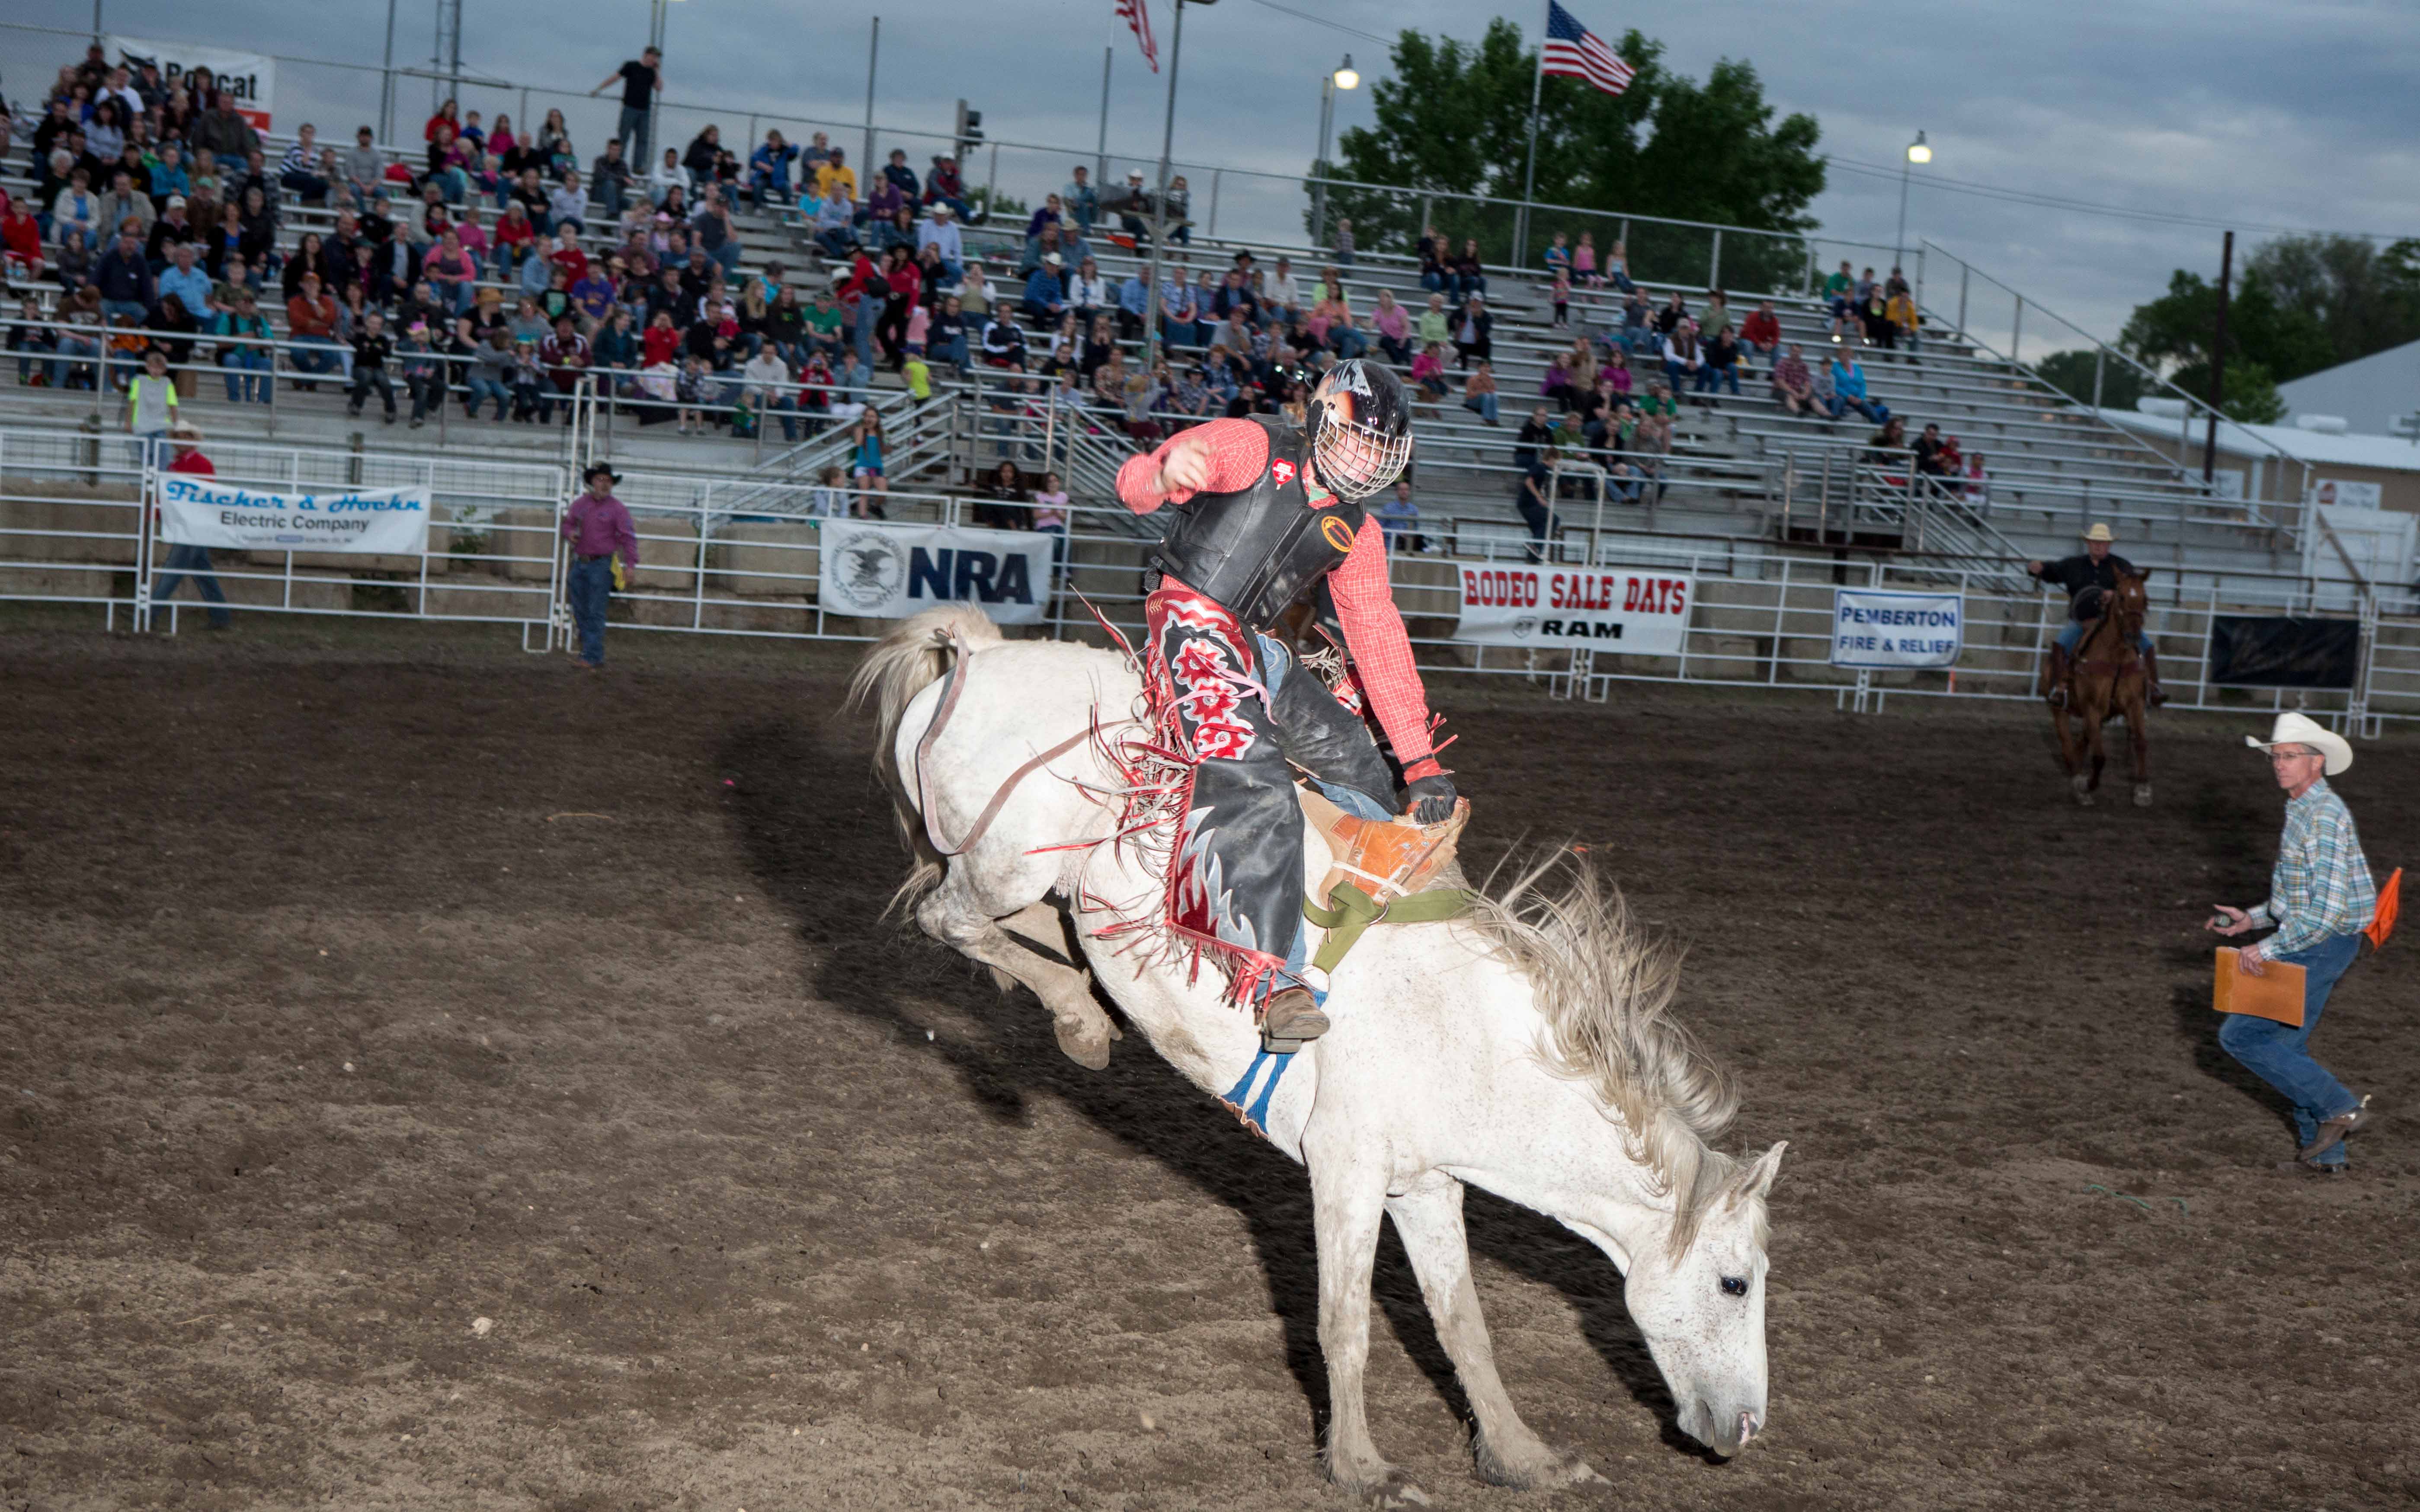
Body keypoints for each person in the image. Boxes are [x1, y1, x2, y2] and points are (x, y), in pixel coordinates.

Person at [1110, 359, 1451, 1052]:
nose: (1361, 461)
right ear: (1323, 418)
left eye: (1375, 452)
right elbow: (1140, 481)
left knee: (1350, 749)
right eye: (1356, 441)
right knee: (1253, 772)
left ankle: (1366, 892)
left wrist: (1418, 761)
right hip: (1186, 617)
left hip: (1254, 645)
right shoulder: (1252, 445)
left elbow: (1378, 636)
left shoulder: (1358, 532)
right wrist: (1161, 473)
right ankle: (1272, 978)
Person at [2206, 713, 2382, 1176]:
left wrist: (2267, 948)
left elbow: (2323, 914)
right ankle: (2324, 1157)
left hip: (2321, 943)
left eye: (2289, 756)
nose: (2278, 765)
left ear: (2316, 762)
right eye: (2275, 757)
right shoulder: (2306, 808)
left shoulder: (2322, 817)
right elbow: (2301, 898)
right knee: (2288, 1046)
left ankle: (2339, 1106)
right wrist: (2255, 918)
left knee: (2241, 1035)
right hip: (2325, 940)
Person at [2027, 523, 2167, 706]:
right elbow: (2052, 571)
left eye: (2102, 542)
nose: (2098, 545)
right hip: (2083, 621)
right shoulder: (2073, 565)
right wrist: (2038, 568)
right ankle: (2059, 688)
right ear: (2088, 543)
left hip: (2116, 624)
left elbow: (2133, 586)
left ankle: (2153, 687)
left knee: (2147, 646)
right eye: (2094, 542)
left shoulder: (2123, 566)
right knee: (2060, 645)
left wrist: (2114, 594)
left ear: (2109, 545)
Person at [150, 421, 232, 630]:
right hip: (190, 525)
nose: (181, 440)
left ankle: (149, 613)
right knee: (202, 572)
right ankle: (221, 617)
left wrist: (160, 513)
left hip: (193, 526)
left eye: (186, 436)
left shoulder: (197, 465)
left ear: (192, 440)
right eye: (179, 436)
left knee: (174, 569)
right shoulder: (179, 465)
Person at [561, 464, 640, 669]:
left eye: (608, 480)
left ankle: (592, 655)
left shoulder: (617, 509)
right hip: (581, 562)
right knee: (580, 609)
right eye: (600, 480)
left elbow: (628, 538)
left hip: (601, 564)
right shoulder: (580, 505)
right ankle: (590, 651)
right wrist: (570, 533)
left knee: (594, 610)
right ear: (592, 482)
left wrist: (630, 565)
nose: (604, 484)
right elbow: (567, 524)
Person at [593, 47, 663, 167]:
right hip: (630, 108)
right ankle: (619, 164)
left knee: (642, 140)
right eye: (654, 56)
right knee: (623, 138)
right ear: (647, 55)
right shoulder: (631, 66)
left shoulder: (652, 72)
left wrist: (657, 71)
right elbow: (615, 77)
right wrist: (600, 88)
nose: (655, 59)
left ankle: (638, 166)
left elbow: (659, 88)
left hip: (644, 111)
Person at [125, 348, 179, 464]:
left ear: (164, 370)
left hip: (161, 425)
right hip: (142, 423)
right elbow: (132, 402)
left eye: (160, 368)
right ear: (147, 367)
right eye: (153, 367)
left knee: (163, 456)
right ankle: (148, 480)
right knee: (146, 456)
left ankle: (159, 480)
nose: (156, 371)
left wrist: (176, 424)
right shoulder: (138, 381)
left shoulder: (167, 383)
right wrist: (128, 422)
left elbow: (173, 404)